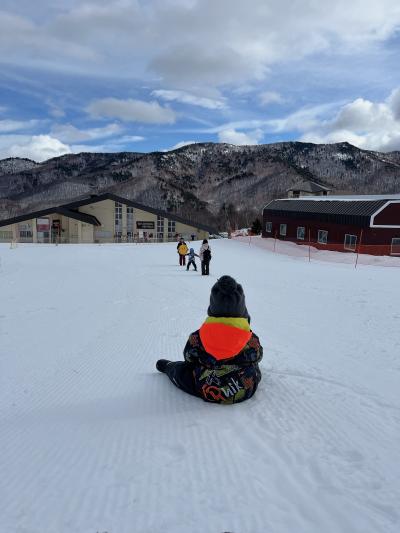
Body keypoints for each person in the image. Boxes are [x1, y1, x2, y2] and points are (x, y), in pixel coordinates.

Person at [156, 275, 263, 404]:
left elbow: (188, 357)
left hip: (206, 387)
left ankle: (169, 367)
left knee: (183, 371)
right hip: (243, 389)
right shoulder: (251, 339)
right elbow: (258, 356)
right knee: (252, 363)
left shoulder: (197, 336)